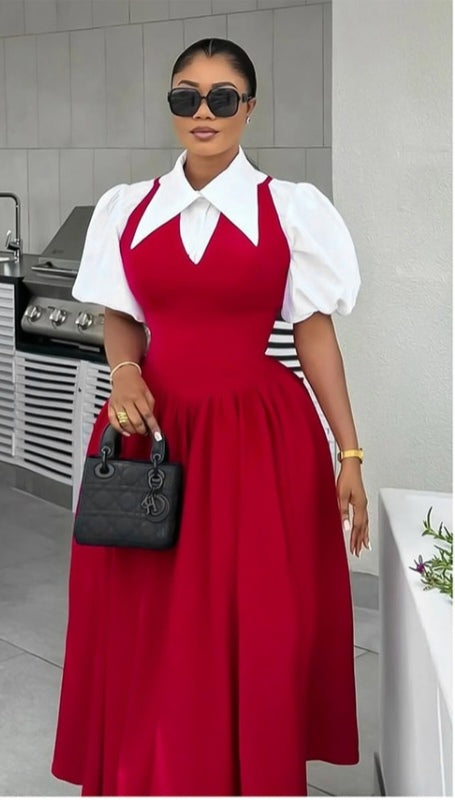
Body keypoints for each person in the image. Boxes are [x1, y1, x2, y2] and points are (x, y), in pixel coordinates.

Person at [51, 37, 369, 796]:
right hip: (149, 434)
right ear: (171, 107)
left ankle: (241, 770)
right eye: (185, 96)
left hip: (258, 437)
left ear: (248, 109)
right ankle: (153, 765)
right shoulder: (126, 207)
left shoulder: (290, 208)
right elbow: (118, 316)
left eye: (221, 97)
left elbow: (312, 331)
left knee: (254, 614)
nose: (202, 111)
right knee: (149, 616)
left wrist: (348, 454)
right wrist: (124, 369)